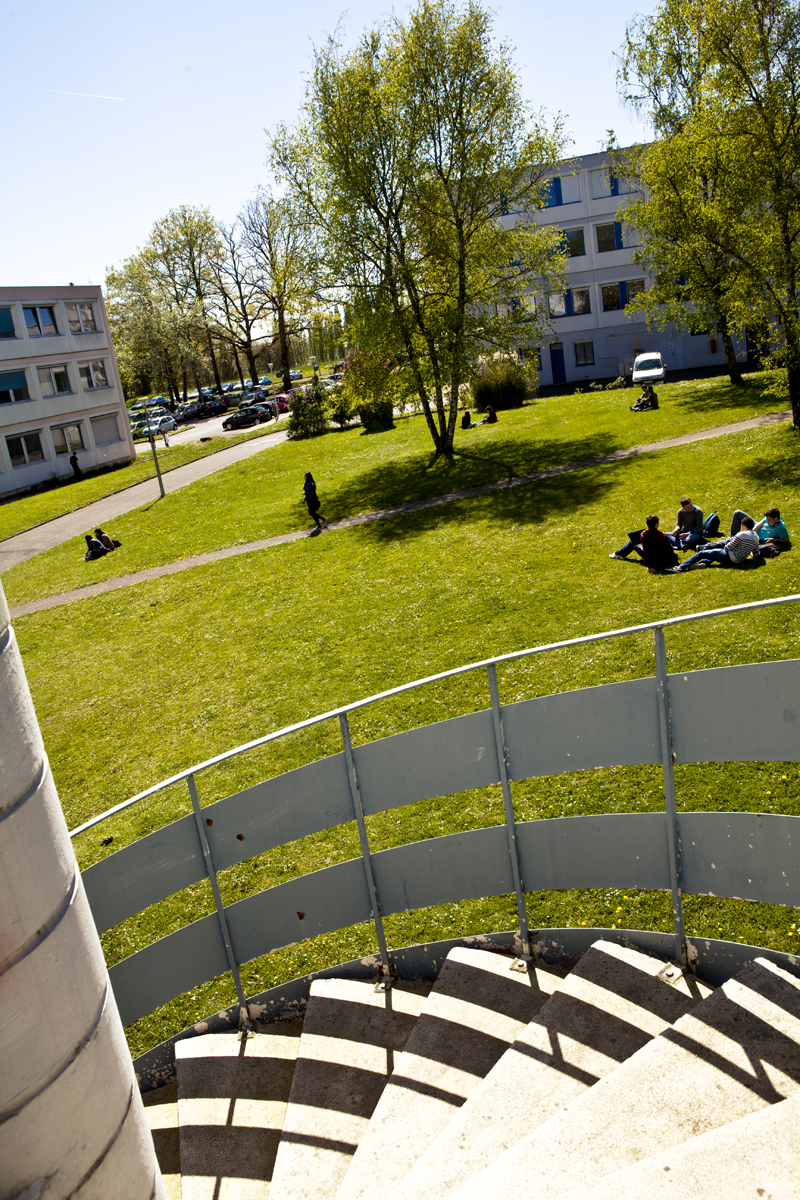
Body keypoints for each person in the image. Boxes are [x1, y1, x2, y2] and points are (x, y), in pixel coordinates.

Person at [670, 517, 759, 571]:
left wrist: (726, 549)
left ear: (744, 525)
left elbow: (728, 547)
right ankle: (704, 564)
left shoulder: (742, 534)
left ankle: (681, 567)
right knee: (713, 554)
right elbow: (756, 553)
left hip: (729, 557)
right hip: (739, 560)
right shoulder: (756, 537)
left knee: (702, 553)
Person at [610, 515, 679, 572]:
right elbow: (670, 549)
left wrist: (650, 566)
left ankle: (618, 553)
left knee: (633, 542)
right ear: (656, 524)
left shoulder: (644, 535)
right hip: (664, 559)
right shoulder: (663, 535)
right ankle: (618, 553)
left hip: (653, 560)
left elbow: (646, 551)